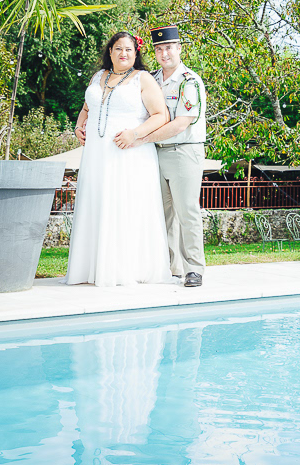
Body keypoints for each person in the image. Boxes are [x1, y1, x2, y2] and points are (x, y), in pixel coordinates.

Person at [64, 32, 174, 287]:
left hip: (129, 154)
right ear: (110, 52)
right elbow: (87, 107)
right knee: (96, 203)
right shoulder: (97, 77)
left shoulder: (142, 79)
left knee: (123, 206)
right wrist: (80, 126)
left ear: (136, 54)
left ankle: (125, 269)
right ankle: (91, 268)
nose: (123, 54)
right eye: (118, 49)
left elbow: (161, 115)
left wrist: (134, 134)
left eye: (129, 50)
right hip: (95, 156)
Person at [126, 25, 207, 287]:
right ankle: (170, 267)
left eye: (169, 47)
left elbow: (181, 123)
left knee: (187, 213)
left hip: (184, 151)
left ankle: (194, 269)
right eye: (159, 49)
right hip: (155, 154)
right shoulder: (150, 78)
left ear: (179, 49)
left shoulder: (189, 81)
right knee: (162, 214)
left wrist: (142, 138)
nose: (164, 53)